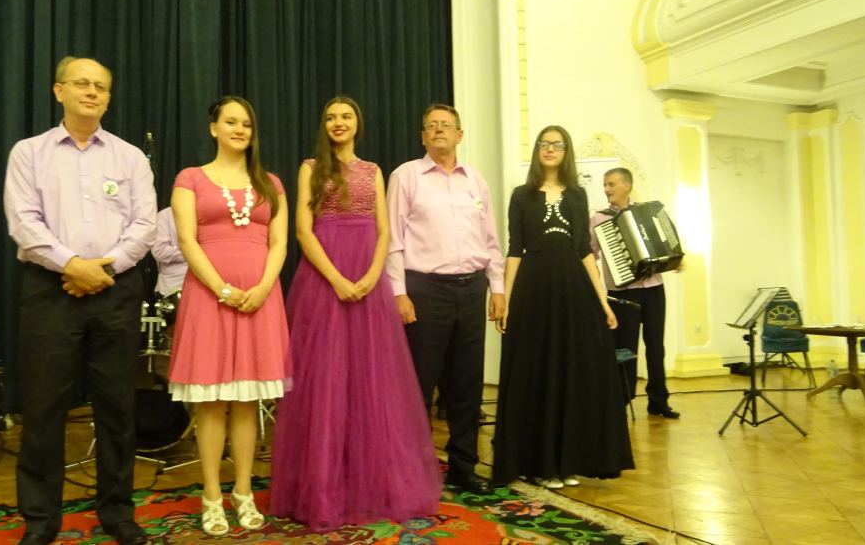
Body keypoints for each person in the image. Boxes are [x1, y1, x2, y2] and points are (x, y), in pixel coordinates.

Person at [3, 56, 156, 545]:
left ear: (108, 97)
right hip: (51, 291)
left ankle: (118, 513)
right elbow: (23, 221)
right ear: (59, 91)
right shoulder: (29, 153)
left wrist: (102, 270)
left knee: (118, 407)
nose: (91, 92)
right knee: (44, 409)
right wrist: (72, 265)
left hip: (117, 289)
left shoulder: (130, 157)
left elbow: (145, 225)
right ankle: (40, 521)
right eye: (82, 84)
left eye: (101, 87)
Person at [270, 97, 442, 530]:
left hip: (369, 280)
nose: (338, 122)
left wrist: (370, 276)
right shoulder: (311, 168)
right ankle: (323, 488)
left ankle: (373, 484)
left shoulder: (373, 171)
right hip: (324, 280)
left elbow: (385, 231)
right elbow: (303, 231)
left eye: (345, 116)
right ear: (324, 125)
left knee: (372, 380)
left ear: (357, 123)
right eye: (331, 117)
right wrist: (337, 279)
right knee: (325, 382)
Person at [166, 96, 289, 537]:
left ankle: (243, 492)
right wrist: (220, 288)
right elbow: (187, 239)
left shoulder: (270, 183)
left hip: (260, 299)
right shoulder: (190, 178)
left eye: (246, 124)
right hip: (208, 299)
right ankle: (212, 496)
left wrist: (263, 287)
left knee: (247, 401)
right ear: (213, 128)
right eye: (231, 122)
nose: (239, 130)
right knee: (211, 402)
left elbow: (279, 243)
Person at [492, 125, 634, 490]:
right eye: (545, 143)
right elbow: (515, 249)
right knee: (537, 372)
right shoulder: (521, 195)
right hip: (534, 291)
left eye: (557, 144)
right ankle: (540, 464)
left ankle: (569, 460)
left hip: (573, 291)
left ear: (566, 151)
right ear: (538, 150)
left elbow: (584, 251)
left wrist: (603, 302)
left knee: (571, 373)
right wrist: (505, 298)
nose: (550, 149)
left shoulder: (576, 195)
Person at [386, 103, 505, 495]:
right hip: (424, 291)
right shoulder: (406, 176)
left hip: (471, 290)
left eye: (446, 125)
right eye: (431, 126)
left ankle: (463, 467)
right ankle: (410, 471)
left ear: (459, 135)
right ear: (423, 136)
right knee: (417, 387)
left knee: (466, 386)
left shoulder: (476, 180)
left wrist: (498, 286)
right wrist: (399, 293)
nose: (439, 130)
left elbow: (491, 239)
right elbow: (392, 240)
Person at [590, 167, 680, 419]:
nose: (606, 189)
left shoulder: (648, 212)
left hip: (653, 289)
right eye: (605, 184)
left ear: (626, 186)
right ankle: (622, 398)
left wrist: (674, 256)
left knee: (656, 346)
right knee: (625, 349)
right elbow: (589, 254)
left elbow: (668, 239)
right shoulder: (599, 219)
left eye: (611, 184)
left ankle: (658, 401)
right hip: (621, 293)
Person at [151, 206, 187, 296]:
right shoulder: (166, 215)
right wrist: (193, 253)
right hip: (175, 287)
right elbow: (159, 251)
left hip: (209, 283)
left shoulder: (212, 215)